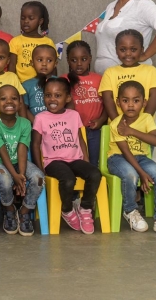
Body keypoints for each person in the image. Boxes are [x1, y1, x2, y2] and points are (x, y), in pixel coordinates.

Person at [106, 81, 156, 238]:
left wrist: (131, 131)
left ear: (144, 103)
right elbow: (125, 152)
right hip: (118, 158)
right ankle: (130, 210)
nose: (131, 105)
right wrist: (141, 173)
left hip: (141, 158)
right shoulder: (117, 124)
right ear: (118, 103)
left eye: (136, 100)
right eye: (125, 100)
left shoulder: (147, 118)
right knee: (130, 174)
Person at [31, 78, 102, 235]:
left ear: (68, 98)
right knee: (68, 179)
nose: (52, 99)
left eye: (57, 95)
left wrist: (86, 159)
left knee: (95, 173)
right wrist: (40, 168)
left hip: (75, 159)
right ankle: (67, 209)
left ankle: (85, 208)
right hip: (53, 162)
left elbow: (80, 138)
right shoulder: (40, 118)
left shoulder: (74, 115)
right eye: (48, 95)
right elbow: (35, 144)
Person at [0, 85, 44, 236]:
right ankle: (9, 209)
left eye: (14, 98)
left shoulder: (24, 123)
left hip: (19, 162)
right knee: (5, 179)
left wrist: (21, 176)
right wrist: (15, 176)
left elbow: (22, 149)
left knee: (39, 178)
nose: (9, 102)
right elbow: (3, 153)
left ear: (19, 103)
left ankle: (25, 211)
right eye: (3, 99)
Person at [99, 29, 156, 121]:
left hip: (144, 127)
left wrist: (141, 123)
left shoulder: (151, 71)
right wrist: (119, 123)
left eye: (133, 49)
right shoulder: (109, 72)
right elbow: (107, 100)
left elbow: (154, 97)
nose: (128, 53)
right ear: (116, 51)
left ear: (142, 50)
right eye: (123, 49)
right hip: (117, 127)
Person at [62, 41, 106, 166]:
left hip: (94, 129)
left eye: (84, 59)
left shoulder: (99, 79)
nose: (79, 63)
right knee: (75, 163)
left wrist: (101, 120)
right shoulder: (64, 80)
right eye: (74, 60)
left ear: (90, 59)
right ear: (68, 61)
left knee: (93, 164)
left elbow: (107, 104)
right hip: (72, 131)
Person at [9, 1, 56, 83]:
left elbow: (53, 66)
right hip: (21, 85)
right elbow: (12, 65)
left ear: (40, 21)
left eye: (31, 18)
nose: (26, 21)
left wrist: (53, 82)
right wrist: (12, 84)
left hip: (43, 84)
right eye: (23, 18)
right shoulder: (15, 41)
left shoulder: (48, 42)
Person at [22, 45, 58, 123]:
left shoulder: (59, 82)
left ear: (55, 63)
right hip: (35, 126)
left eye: (49, 60)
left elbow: (68, 103)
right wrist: (36, 123)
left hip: (57, 124)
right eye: (39, 60)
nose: (44, 64)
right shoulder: (26, 85)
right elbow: (24, 108)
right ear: (32, 63)